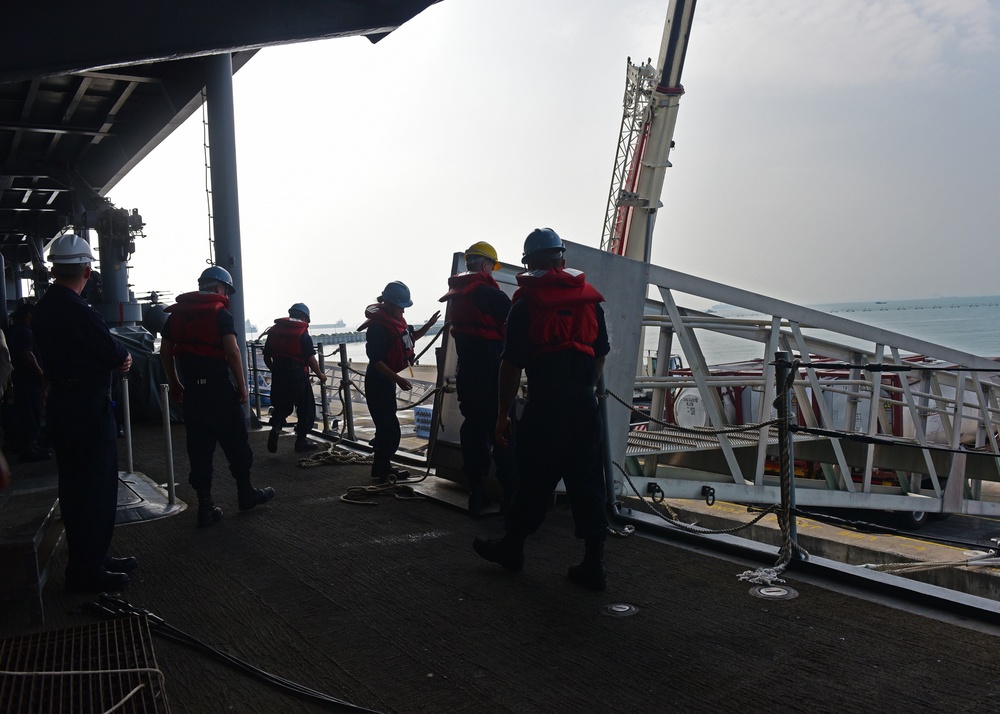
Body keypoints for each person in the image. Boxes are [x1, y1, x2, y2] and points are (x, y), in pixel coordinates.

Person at [473, 228, 611, 591]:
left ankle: (512, 549)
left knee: (533, 479)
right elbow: (600, 354)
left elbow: (511, 365)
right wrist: (584, 390)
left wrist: (502, 415)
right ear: (562, 259)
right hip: (584, 405)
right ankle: (594, 563)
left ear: (528, 263)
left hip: (546, 406)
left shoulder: (524, 305)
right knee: (588, 483)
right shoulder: (590, 302)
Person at [33, 233, 136, 592]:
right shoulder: (79, 310)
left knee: (76, 487)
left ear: (55, 270)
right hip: (87, 409)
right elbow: (113, 353)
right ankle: (86, 570)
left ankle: (93, 556)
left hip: (64, 405)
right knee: (95, 486)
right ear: (88, 271)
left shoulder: (44, 308)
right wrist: (122, 358)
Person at [160, 265, 274, 527]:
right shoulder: (220, 314)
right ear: (221, 289)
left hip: (193, 394)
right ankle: (245, 494)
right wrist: (242, 386)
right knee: (236, 444)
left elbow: (166, 352)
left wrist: (175, 382)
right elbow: (233, 352)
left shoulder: (176, 316)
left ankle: (206, 507)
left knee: (199, 449)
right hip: (220, 391)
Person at [439, 241, 516, 514]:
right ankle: (510, 496)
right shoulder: (489, 294)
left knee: (473, 429)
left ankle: (477, 490)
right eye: (492, 267)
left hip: (467, 375)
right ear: (485, 265)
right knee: (504, 430)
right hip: (491, 375)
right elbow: (517, 322)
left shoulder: (458, 295)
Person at [359, 281, 439, 483]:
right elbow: (376, 361)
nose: (403, 309)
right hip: (378, 381)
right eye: (401, 305)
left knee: (386, 426)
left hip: (386, 381)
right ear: (389, 303)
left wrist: (429, 326)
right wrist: (398, 378)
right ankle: (383, 468)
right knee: (390, 429)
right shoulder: (377, 328)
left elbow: (409, 339)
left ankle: (381, 468)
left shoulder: (395, 321)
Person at [263, 303, 327, 453]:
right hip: (297, 374)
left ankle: (276, 428)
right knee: (306, 408)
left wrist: (275, 371)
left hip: (279, 374)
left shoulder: (274, 331)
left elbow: (267, 357)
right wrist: (321, 375)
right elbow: (310, 359)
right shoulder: (302, 334)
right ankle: (301, 441)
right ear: (304, 317)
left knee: (282, 406)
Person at [7, 301, 51, 462]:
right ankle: (28, 449)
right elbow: (27, 355)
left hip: (21, 379)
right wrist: (41, 374)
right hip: (28, 380)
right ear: (29, 316)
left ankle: (31, 445)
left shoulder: (15, 330)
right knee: (30, 413)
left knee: (28, 412)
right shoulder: (24, 332)